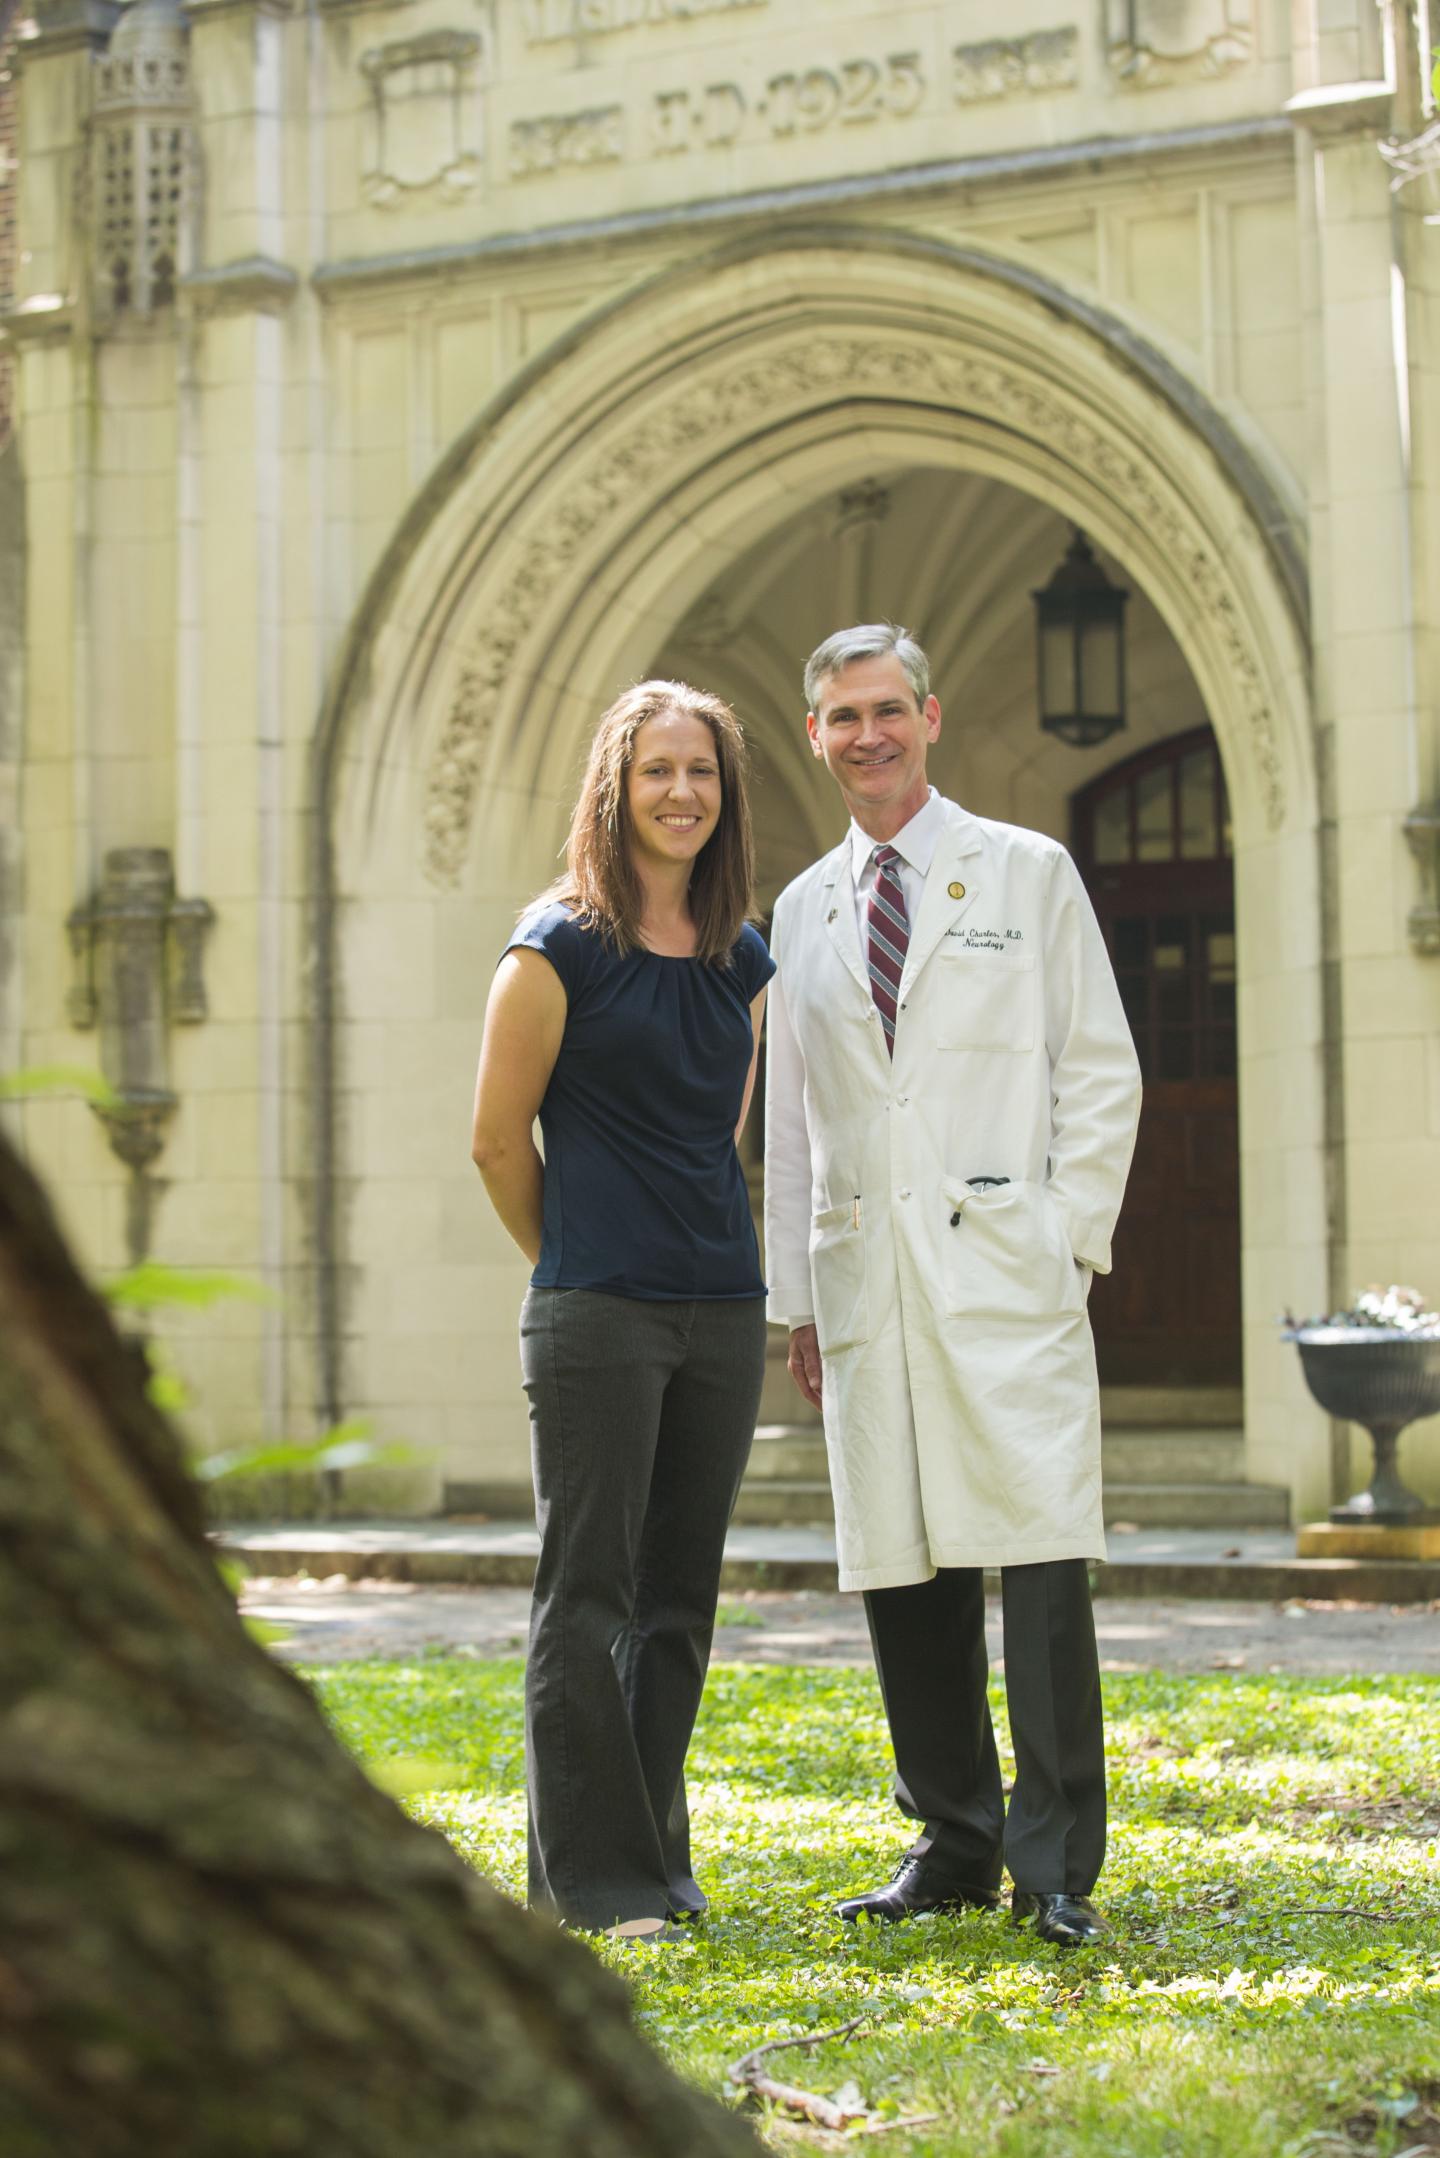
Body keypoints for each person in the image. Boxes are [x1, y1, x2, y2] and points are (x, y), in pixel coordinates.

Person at [763, 623, 1141, 1947]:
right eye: (841, 716)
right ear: (815, 735)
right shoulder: (803, 909)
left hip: (1004, 1269)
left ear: (931, 716)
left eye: (886, 709)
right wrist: (795, 1296)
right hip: (868, 1272)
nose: (866, 734)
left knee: (1038, 1555)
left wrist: (1066, 1237)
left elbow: (1099, 1067)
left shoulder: (1025, 873)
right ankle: (954, 1837)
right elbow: (796, 1121)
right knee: (904, 1561)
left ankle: (1054, 1865)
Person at [470, 679, 773, 1943]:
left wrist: (690, 1267)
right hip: (597, 1312)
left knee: (678, 1604)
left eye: (700, 771)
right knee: (585, 1595)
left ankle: (657, 1858)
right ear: (616, 785)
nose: (681, 792)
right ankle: (591, 1884)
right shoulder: (555, 947)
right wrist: (582, 1268)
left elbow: (726, 1135)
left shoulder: (742, 956)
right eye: (658, 770)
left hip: (723, 1309)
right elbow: (495, 1144)